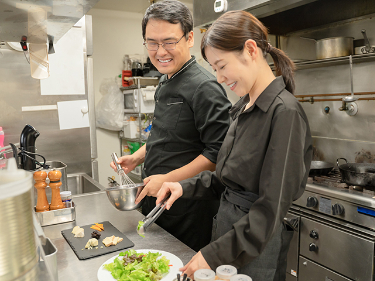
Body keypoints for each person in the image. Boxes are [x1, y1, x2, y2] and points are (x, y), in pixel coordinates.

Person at [152, 10, 313, 281]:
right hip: (227, 235)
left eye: (221, 66)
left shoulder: (284, 112)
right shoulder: (242, 108)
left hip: (254, 249)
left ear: (250, 50)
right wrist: (182, 186)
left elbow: (269, 209)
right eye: (214, 69)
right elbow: (226, 180)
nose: (218, 78)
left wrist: (212, 255)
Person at [111, 0, 232, 251]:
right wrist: (136, 158)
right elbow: (166, 135)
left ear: (189, 38)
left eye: (169, 42)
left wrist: (167, 179)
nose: (160, 51)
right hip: (158, 202)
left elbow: (217, 153)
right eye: (152, 43)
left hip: (187, 207)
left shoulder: (205, 87)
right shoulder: (166, 80)